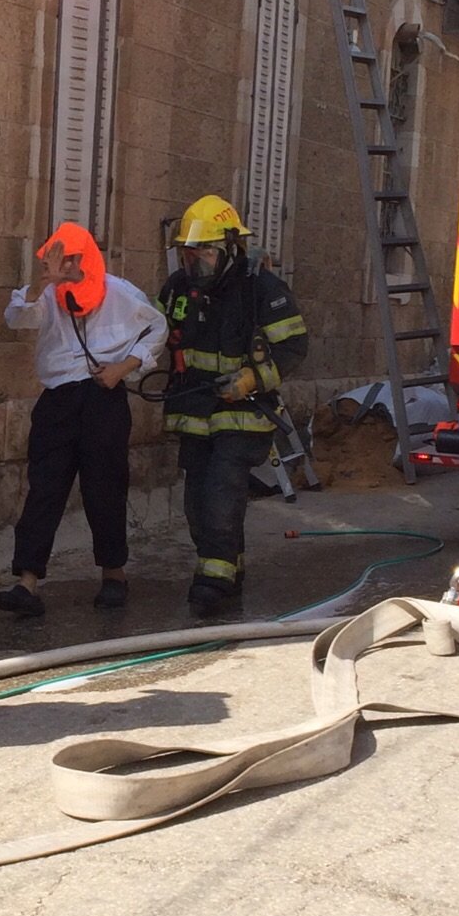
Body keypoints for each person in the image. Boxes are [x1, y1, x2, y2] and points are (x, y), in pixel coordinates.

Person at [0, 221, 168, 617]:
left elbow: (157, 328)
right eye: (55, 260)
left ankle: (113, 574)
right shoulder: (49, 296)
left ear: (83, 258)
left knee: (104, 488)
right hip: (58, 399)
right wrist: (42, 285)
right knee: (44, 489)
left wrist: (124, 367)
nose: (62, 267)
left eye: (67, 259)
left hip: (103, 396)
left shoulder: (122, 294)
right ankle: (27, 582)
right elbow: (17, 317)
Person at [157, 194, 308, 617]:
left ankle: (213, 579)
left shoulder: (261, 288)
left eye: (203, 252)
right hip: (194, 413)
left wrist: (252, 379)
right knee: (196, 500)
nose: (195, 263)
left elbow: (295, 346)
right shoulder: (178, 289)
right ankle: (230, 566)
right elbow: (149, 327)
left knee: (222, 494)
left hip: (243, 414)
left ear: (228, 248)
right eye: (189, 254)